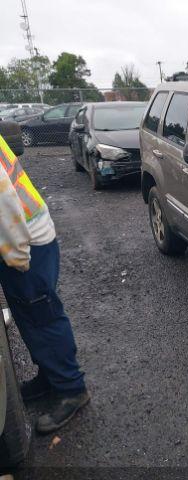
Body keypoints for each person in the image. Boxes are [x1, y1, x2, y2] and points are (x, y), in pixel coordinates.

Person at [0, 134, 89, 434]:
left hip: (25, 242)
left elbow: (4, 200)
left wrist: (17, 253)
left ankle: (72, 389)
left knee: (43, 317)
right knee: (30, 318)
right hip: (25, 237)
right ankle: (50, 376)